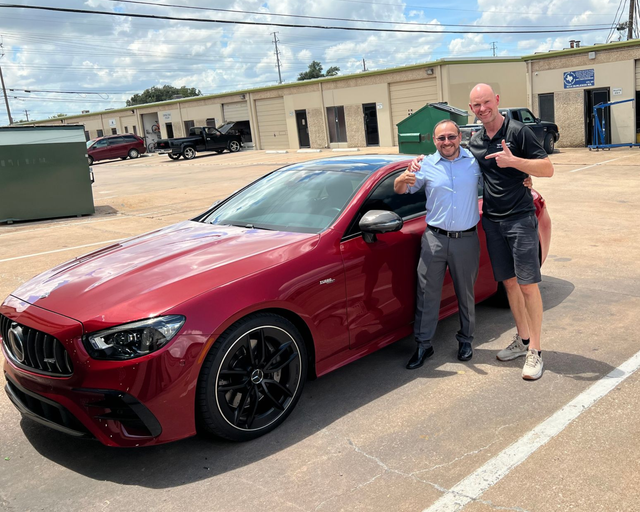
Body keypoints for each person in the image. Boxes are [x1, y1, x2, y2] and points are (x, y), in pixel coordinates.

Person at [467, 83, 554, 380]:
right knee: (510, 284)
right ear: (471, 109)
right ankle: (522, 340)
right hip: (492, 221)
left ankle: (536, 353)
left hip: (520, 219)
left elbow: (548, 168)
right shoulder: (476, 142)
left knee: (529, 285)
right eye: (477, 105)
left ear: (497, 101)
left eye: (487, 102)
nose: (483, 108)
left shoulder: (518, 132)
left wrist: (515, 162)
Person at [395, 119, 482, 370]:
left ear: (459, 137)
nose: (447, 142)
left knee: (465, 294)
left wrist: (525, 180)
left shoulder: (474, 162)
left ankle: (466, 340)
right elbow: (400, 189)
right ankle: (424, 345)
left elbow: (498, 180)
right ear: (434, 141)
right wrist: (402, 178)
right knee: (427, 294)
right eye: (441, 138)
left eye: (451, 137)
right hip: (434, 238)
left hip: (465, 239)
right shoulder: (425, 165)